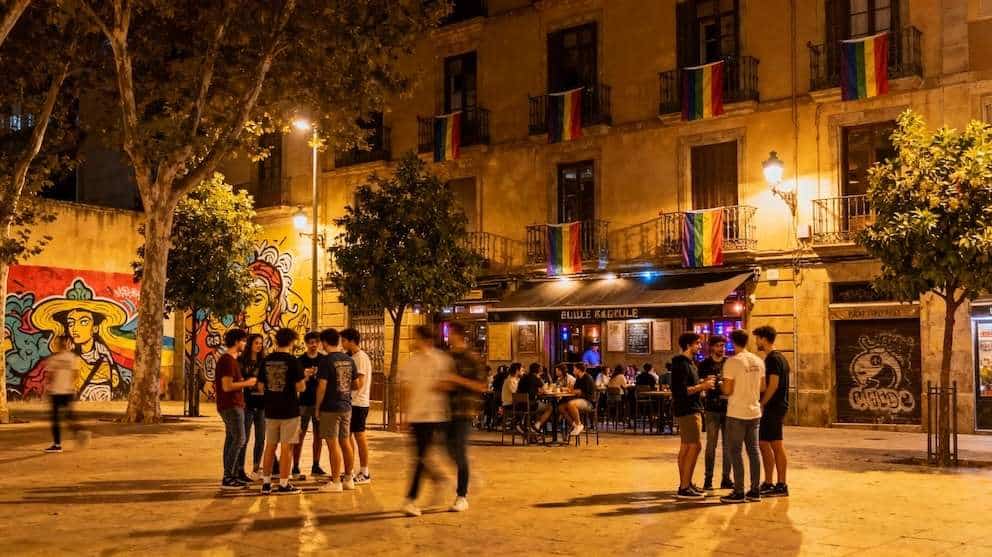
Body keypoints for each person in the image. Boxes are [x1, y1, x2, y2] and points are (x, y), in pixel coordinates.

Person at [400, 326, 454, 517]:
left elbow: (450, 384)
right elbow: (406, 390)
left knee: (420, 458)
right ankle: (441, 480)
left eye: (416, 338)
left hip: (434, 415)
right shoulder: (411, 362)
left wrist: (442, 385)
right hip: (416, 415)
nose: (413, 341)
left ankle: (411, 499)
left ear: (426, 340)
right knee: (421, 457)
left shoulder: (442, 360)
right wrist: (405, 416)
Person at [441, 322, 489, 512]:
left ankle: (462, 496)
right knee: (448, 450)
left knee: (459, 451)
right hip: (446, 410)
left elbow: (481, 386)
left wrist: (457, 380)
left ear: (458, 335)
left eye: (449, 333)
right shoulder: (447, 357)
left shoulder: (472, 358)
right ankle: (466, 471)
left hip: (464, 410)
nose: (447, 337)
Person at [258, 328, 308, 495]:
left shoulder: (266, 360)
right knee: (286, 448)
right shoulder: (294, 361)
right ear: (292, 342)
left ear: (276, 341)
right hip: (289, 410)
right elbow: (300, 386)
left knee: (270, 447)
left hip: (271, 409)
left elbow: (260, 386)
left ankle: (266, 483)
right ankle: (284, 484)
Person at [720, 329, 766, 504]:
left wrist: (721, 386)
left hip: (737, 412)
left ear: (733, 342)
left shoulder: (732, 362)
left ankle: (739, 491)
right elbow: (762, 387)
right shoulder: (758, 361)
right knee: (753, 451)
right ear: (747, 341)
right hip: (754, 412)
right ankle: (755, 491)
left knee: (735, 452)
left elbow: (728, 390)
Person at [670, 332, 716, 500]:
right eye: (697, 343)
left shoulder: (688, 363)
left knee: (686, 447)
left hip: (689, 408)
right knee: (695, 447)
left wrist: (702, 383)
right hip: (688, 409)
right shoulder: (681, 364)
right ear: (689, 345)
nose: (699, 346)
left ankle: (686, 483)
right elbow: (680, 391)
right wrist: (702, 386)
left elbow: (689, 386)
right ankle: (684, 487)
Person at [315, 328, 359, 493]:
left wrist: (318, 407)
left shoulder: (326, 361)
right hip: (346, 405)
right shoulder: (348, 359)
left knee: (332, 445)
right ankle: (349, 478)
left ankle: (335, 481)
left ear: (325, 342)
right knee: (345, 442)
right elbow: (356, 384)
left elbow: (322, 386)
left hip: (330, 407)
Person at [214, 328, 257, 490]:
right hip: (231, 405)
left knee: (232, 439)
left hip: (233, 404)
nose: (245, 344)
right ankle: (228, 476)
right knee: (240, 439)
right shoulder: (227, 361)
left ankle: (230, 475)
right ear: (237, 341)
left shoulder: (232, 360)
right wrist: (247, 383)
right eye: (244, 341)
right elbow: (227, 386)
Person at [755, 325, 790, 498]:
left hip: (773, 407)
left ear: (763, 338)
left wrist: (762, 403)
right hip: (778, 406)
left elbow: (773, 384)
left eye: (757, 338)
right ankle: (772, 482)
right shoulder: (781, 358)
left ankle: (778, 483)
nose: (756, 342)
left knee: (771, 444)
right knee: (769, 444)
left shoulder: (773, 359)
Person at [700, 335, 732, 492]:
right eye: (719, 345)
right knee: (711, 445)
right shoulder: (704, 364)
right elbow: (699, 383)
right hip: (712, 408)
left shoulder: (729, 362)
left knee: (728, 446)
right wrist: (704, 383)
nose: (722, 348)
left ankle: (726, 478)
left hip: (728, 408)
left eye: (723, 346)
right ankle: (708, 479)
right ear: (712, 347)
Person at [341, 328, 372, 485]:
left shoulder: (360, 358)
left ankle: (365, 472)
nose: (342, 344)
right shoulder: (352, 357)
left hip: (358, 403)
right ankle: (350, 469)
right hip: (352, 402)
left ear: (351, 341)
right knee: (349, 437)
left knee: (360, 437)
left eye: (344, 340)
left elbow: (358, 383)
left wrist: (342, 385)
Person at [44, 336, 86, 453]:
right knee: (68, 416)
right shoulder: (73, 358)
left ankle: (57, 445)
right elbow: (76, 375)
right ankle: (80, 432)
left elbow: (50, 376)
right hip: (68, 392)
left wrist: (47, 389)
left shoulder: (54, 359)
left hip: (56, 392)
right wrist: (72, 387)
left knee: (55, 419)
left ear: (59, 344)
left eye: (56, 343)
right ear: (66, 344)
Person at [294, 331, 326, 479]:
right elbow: (296, 383)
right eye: (311, 342)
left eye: (316, 342)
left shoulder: (324, 360)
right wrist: (305, 376)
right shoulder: (299, 360)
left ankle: (316, 465)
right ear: (306, 343)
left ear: (319, 343)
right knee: (299, 435)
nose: (313, 345)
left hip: (319, 402)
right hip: (304, 402)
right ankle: (295, 466)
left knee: (319, 436)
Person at [238, 334, 267, 481]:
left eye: (261, 343)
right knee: (244, 438)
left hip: (262, 405)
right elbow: (238, 379)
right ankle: (240, 469)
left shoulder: (264, 362)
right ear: (250, 344)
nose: (259, 346)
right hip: (247, 404)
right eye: (256, 343)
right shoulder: (242, 361)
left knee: (261, 438)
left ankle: (256, 469)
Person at [561, 362, 596, 437]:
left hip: (588, 402)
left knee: (571, 404)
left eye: (574, 369)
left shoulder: (587, 378)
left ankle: (579, 424)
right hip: (579, 400)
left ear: (579, 370)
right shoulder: (578, 378)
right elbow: (575, 390)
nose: (573, 370)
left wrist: (575, 391)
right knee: (560, 407)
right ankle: (575, 425)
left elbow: (582, 392)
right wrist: (571, 390)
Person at [517, 362, 553, 432]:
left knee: (540, 408)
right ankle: (537, 426)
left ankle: (532, 428)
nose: (541, 370)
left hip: (519, 404)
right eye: (540, 368)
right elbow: (543, 389)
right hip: (530, 404)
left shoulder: (524, 377)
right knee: (550, 407)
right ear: (538, 370)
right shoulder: (535, 378)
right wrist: (539, 379)